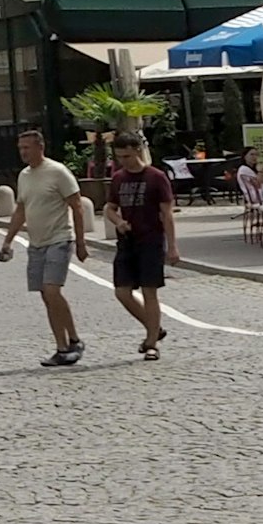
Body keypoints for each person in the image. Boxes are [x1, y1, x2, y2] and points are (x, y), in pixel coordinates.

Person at [0, 126, 89, 366]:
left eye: (27, 148)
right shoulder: (25, 176)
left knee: (52, 290)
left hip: (59, 239)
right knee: (46, 295)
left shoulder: (58, 172)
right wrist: (8, 240)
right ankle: (62, 346)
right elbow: (21, 210)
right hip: (36, 242)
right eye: (20, 148)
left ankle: (75, 339)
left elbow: (77, 207)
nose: (23, 153)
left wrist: (81, 242)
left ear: (41, 147)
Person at [104, 131, 174, 360]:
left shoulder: (156, 177)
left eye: (126, 156)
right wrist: (119, 222)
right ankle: (154, 328)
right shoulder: (118, 178)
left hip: (151, 240)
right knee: (122, 292)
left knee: (149, 291)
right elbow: (109, 208)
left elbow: (167, 214)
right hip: (127, 241)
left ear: (137, 150)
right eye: (119, 157)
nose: (123, 161)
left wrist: (172, 247)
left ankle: (152, 342)